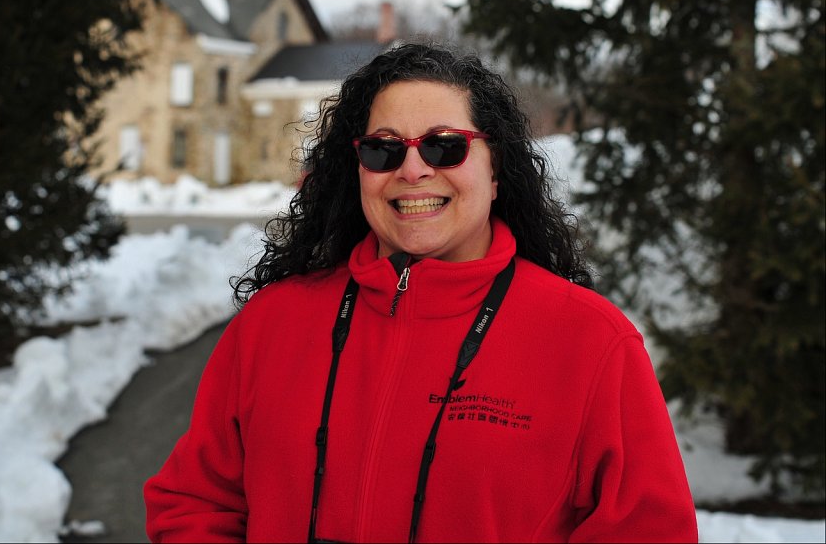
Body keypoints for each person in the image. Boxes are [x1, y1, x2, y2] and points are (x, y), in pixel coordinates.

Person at [144, 42, 698, 543]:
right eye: (383, 150)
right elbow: (195, 503)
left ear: (495, 166)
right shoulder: (273, 322)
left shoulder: (591, 342)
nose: (412, 170)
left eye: (443, 147)